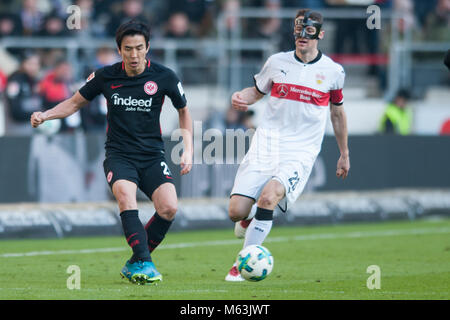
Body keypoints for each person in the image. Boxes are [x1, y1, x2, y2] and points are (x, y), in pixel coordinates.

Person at [30, 20, 193, 285]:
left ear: (148, 47)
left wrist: (189, 149)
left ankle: (136, 261)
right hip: (119, 155)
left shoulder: (165, 77)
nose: (134, 54)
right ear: (119, 50)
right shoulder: (106, 76)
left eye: (139, 48)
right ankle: (145, 263)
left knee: (169, 208)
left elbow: (183, 110)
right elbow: (74, 103)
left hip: (152, 155)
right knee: (126, 199)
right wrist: (45, 115)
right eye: (128, 49)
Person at [224, 9, 350, 281]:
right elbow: (256, 92)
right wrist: (241, 98)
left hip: (301, 151)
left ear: (320, 34)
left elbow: (337, 113)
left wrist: (344, 153)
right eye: (298, 30)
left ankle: (242, 263)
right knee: (236, 212)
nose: (302, 35)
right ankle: (247, 221)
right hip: (266, 143)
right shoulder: (276, 62)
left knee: (269, 197)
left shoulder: (333, 72)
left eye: (309, 30)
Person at [5, 52, 42, 135]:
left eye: (36, 64)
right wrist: (38, 116)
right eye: (30, 63)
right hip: (17, 131)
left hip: (32, 129)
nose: (33, 67)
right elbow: (14, 111)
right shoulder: (15, 81)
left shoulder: (35, 81)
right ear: (22, 64)